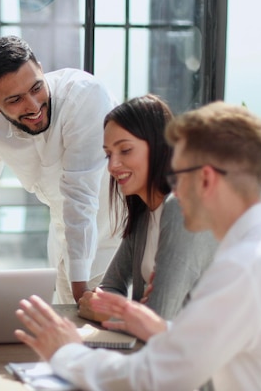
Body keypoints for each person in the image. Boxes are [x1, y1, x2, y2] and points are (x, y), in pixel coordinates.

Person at [14, 101, 261, 390]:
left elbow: (156, 377)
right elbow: (206, 346)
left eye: (178, 175)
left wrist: (66, 352)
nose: (173, 188)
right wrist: (160, 329)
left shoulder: (243, 267)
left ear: (206, 179)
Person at [0, 35, 120, 304]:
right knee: (69, 328)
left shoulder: (84, 95)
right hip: (63, 231)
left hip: (117, 228)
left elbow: (81, 196)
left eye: (36, 88)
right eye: (15, 100)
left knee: (110, 333)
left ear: (41, 69)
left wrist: (81, 291)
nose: (33, 106)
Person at [78, 95, 216, 322]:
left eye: (125, 150)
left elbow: (158, 319)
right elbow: (110, 287)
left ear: (159, 147)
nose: (112, 165)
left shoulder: (182, 207)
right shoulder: (144, 214)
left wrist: (112, 312)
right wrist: (126, 310)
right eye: (108, 154)